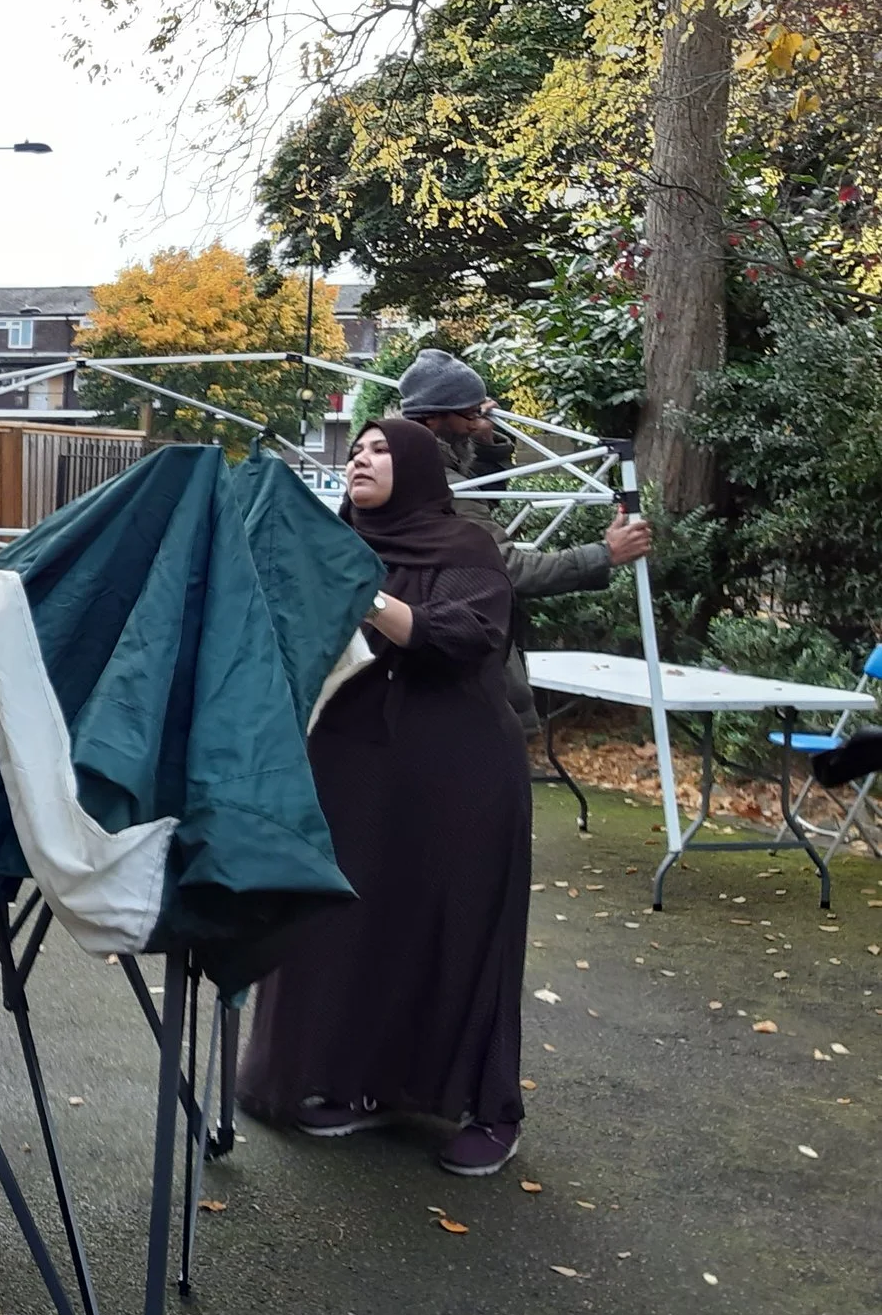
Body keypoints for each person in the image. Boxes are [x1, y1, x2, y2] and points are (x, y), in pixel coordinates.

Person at [241, 417, 535, 1177]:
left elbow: (466, 634)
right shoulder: (337, 547)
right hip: (355, 764)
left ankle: (489, 1110)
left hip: (460, 771)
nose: (362, 458)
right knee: (351, 924)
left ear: (415, 467)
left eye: (379, 449)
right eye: (357, 449)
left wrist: (360, 595)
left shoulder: (463, 546)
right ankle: (353, 1084)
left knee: (458, 928)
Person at [397, 349, 654, 729]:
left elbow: (478, 501)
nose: (475, 423)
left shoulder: (410, 468)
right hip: (464, 689)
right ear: (434, 417)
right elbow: (504, 569)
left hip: (434, 677)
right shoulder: (436, 485)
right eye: (469, 415)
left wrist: (487, 448)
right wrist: (605, 554)